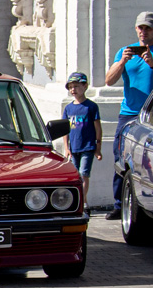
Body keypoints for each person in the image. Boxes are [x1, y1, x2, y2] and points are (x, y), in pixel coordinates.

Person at [103, 12, 153, 219]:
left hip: (150, 116)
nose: (143, 32)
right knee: (120, 157)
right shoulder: (125, 52)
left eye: (148, 28)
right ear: (135, 29)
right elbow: (109, 80)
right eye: (140, 28)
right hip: (129, 114)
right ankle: (118, 204)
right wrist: (121, 62)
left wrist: (152, 64)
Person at [59, 72, 102, 200]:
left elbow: (98, 127)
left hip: (87, 147)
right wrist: (66, 148)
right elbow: (65, 130)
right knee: (74, 175)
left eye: (76, 86)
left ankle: (82, 201)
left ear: (85, 86)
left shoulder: (91, 107)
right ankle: (77, 200)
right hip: (74, 148)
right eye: (71, 87)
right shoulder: (68, 108)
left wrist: (98, 147)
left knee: (84, 174)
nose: (73, 89)